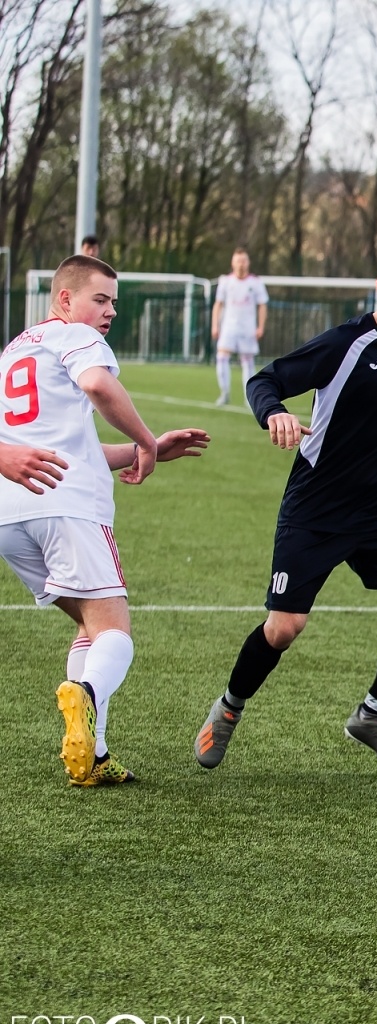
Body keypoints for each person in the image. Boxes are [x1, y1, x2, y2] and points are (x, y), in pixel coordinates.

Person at [192, 240, 377, 771]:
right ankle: (228, 710)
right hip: (315, 507)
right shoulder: (346, 344)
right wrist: (272, 412)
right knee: (283, 628)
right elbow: (264, 379)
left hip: (375, 510)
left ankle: (371, 715)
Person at [0, 255, 209, 786]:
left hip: (11, 509)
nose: (110, 310)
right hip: (67, 507)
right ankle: (86, 698)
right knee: (115, 630)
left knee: (90, 626)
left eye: (114, 300)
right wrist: (145, 439)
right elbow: (97, 384)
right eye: (101, 298)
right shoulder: (77, 338)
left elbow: (71, 446)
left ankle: (94, 756)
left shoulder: (15, 350)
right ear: (65, 300)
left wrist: (148, 449)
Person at [212, 248, 270, 406]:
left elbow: (262, 305)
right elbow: (218, 304)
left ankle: (248, 397)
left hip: (248, 329)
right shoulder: (225, 281)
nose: (241, 264)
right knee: (222, 357)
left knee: (247, 361)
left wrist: (260, 326)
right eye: (238, 261)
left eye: (243, 260)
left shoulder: (256, 282)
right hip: (229, 327)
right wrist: (215, 325)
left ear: (248, 262)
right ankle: (224, 393)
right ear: (232, 263)